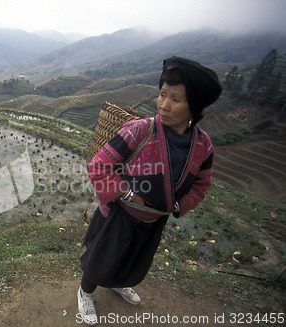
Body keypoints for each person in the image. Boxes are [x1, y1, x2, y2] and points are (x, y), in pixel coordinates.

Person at [77, 56, 222, 325]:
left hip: (154, 219)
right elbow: (99, 165)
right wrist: (128, 194)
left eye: (175, 99)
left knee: (132, 258)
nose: (164, 105)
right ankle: (85, 293)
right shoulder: (140, 130)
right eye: (162, 94)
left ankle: (117, 282)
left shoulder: (203, 146)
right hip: (119, 214)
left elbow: (202, 184)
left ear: (195, 106)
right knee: (100, 259)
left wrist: (179, 206)